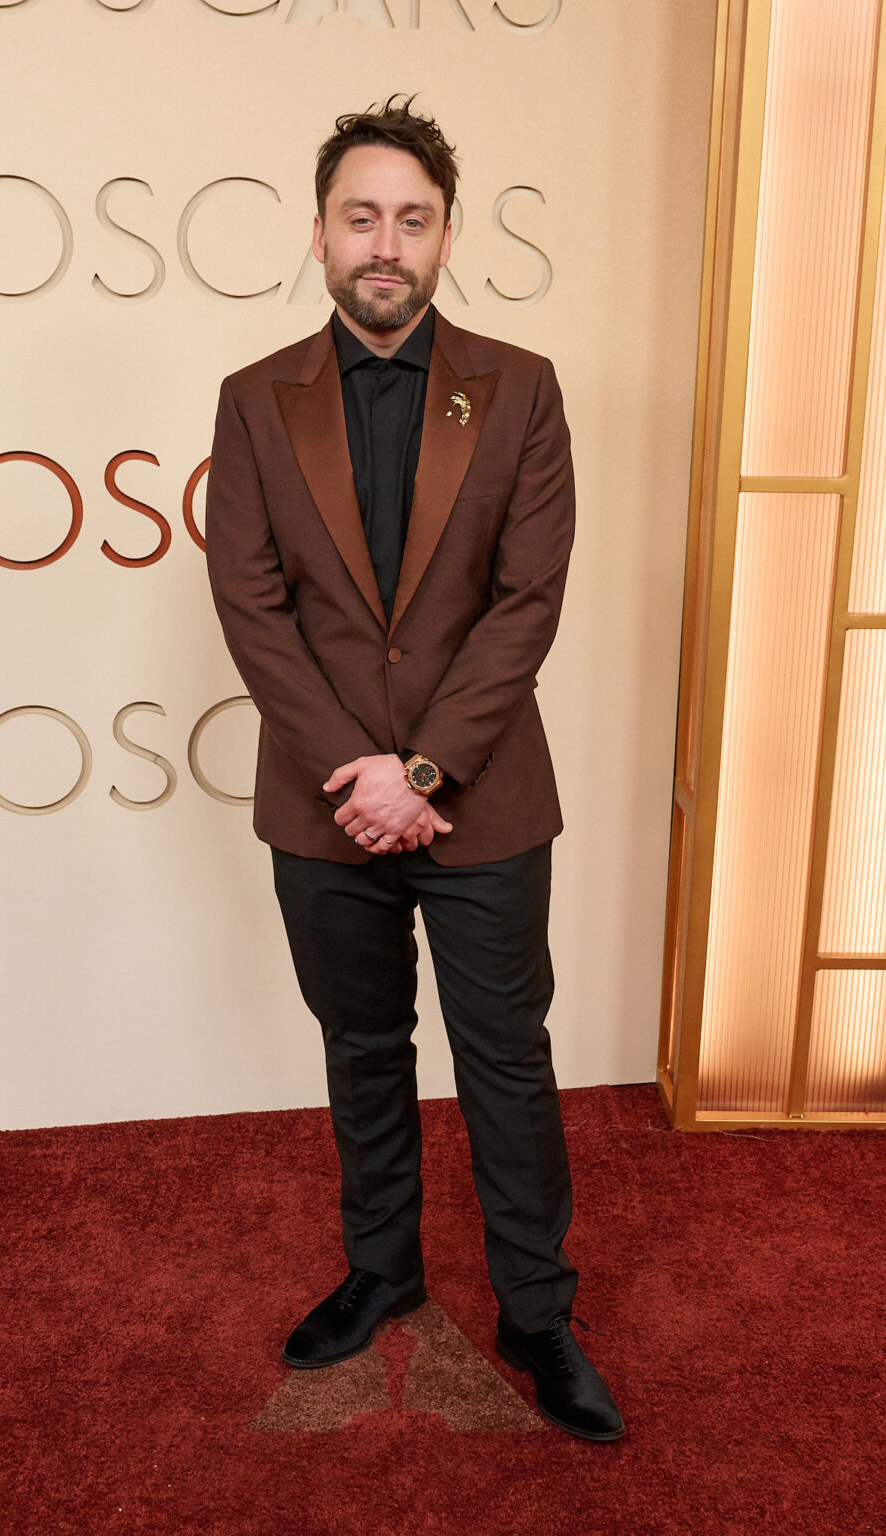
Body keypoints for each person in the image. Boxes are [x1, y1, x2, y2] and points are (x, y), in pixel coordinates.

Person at [204, 95, 624, 1443]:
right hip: (324, 808)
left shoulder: (525, 386)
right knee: (362, 1048)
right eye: (360, 214)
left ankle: (537, 1312)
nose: (385, 241)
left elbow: (528, 602)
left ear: (446, 235)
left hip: (486, 794)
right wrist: (357, 772)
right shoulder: (254, 399)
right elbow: (253, 609)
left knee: (507, 1058)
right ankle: (382, 1272)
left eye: (413, 217)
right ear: (320, 232)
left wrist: (425, 770)